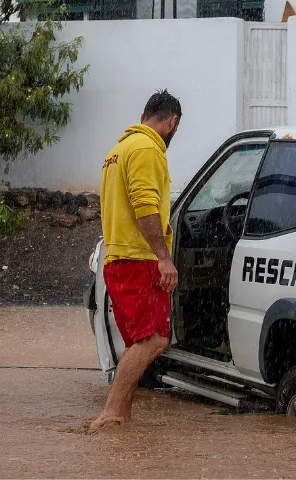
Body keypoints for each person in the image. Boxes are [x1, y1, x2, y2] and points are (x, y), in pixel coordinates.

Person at [88, 89, 182, 434]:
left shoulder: (118, 150)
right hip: (138, 259)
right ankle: (112, 412)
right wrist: (163, 257)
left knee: (138, 341)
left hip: (117, 259)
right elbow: (145, 206)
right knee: (154, 339)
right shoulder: (147, 149)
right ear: (172, 121)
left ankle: (121, 419)